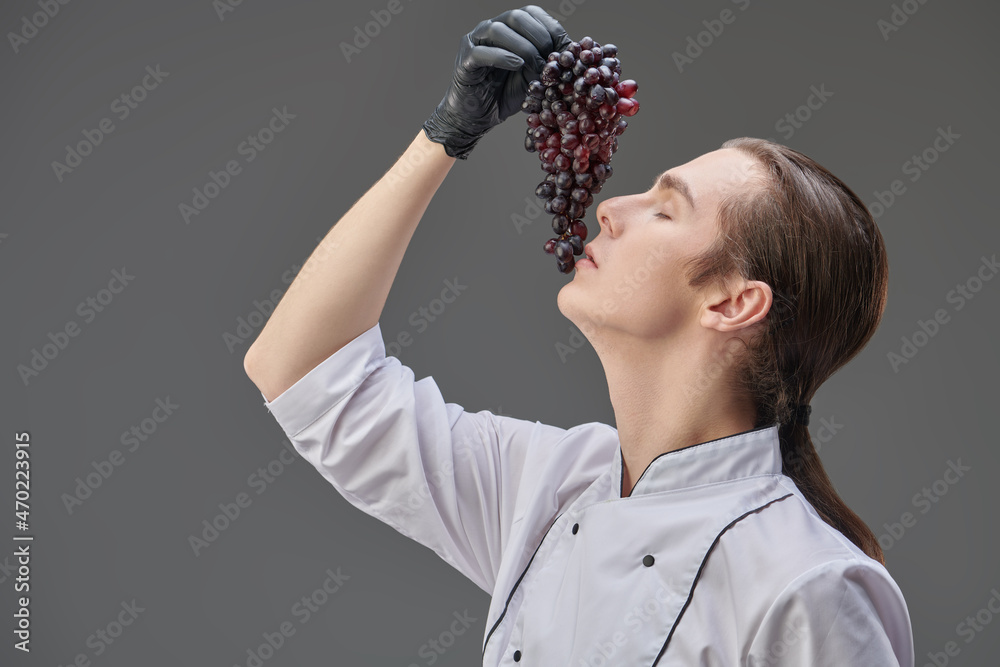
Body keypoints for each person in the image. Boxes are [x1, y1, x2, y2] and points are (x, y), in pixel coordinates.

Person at [244, 5, 915, 665]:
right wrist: (443, 138)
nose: (610, 208)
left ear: (732, 302)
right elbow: (301, 370)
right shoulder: (552, 485)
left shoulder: (811, 586)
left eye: (664, 208)